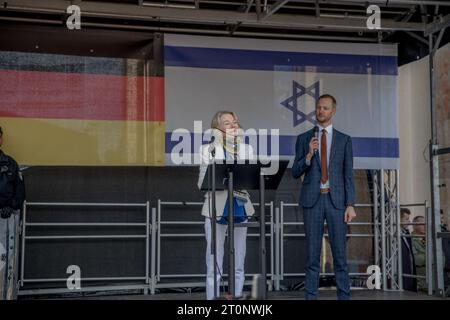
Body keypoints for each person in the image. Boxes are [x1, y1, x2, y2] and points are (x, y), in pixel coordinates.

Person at [292, 94, 356, 300]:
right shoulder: (303, 139)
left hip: (336, 202)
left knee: (339, 256)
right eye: (319, 108)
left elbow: (348, 174)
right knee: (312, 256)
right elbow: (295, 171)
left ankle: (343, 297)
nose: (321, 111)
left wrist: (350, 204)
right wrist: (309, 155)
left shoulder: (345, 140)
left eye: (325, 108)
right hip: (312, 201)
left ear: (333, 111)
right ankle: (311, 297)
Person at [197, 111, 255, 300]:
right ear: (218, 129)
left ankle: (237, 299)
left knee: (239, 261)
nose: (233, 126)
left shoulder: (247, 149)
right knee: (214, 261)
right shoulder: (208, 150)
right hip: (215, 207)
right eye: (227, 123)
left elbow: (252, 179)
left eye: (235, 122)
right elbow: (201, 183)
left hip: (240, 206)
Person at [0, 126, 25, 300]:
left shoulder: (10, 164)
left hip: (6, 222)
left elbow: (20, 192)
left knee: (5, 264)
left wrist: (12, 205)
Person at [400, 208, 417, 291]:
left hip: (409, 272)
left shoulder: (407, 233)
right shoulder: (393, 235)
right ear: (398, 219)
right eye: (406, 219)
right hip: (401, 276)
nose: (409, 221)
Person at [411, 215, 426, 292]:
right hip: (421, 283)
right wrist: (432, 258)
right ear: (415, 226)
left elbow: (442, 257)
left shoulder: (428, 238)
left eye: (425, 224)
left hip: (435, 281)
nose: (425, 226)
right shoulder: (410, 239)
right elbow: (416, 259)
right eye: (422, 224)